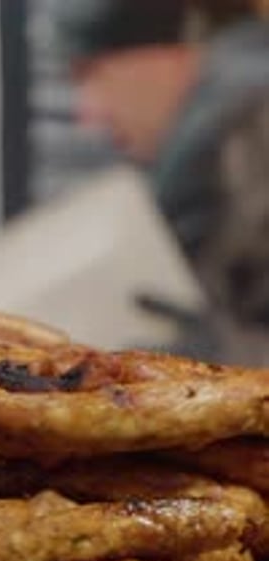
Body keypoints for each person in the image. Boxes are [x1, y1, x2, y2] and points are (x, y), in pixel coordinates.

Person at [52, 0, 269, 362]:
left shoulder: (246, 135)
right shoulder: (224, 134)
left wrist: (221, 361)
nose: (89, 114)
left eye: (92, 74)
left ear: (159, 55)